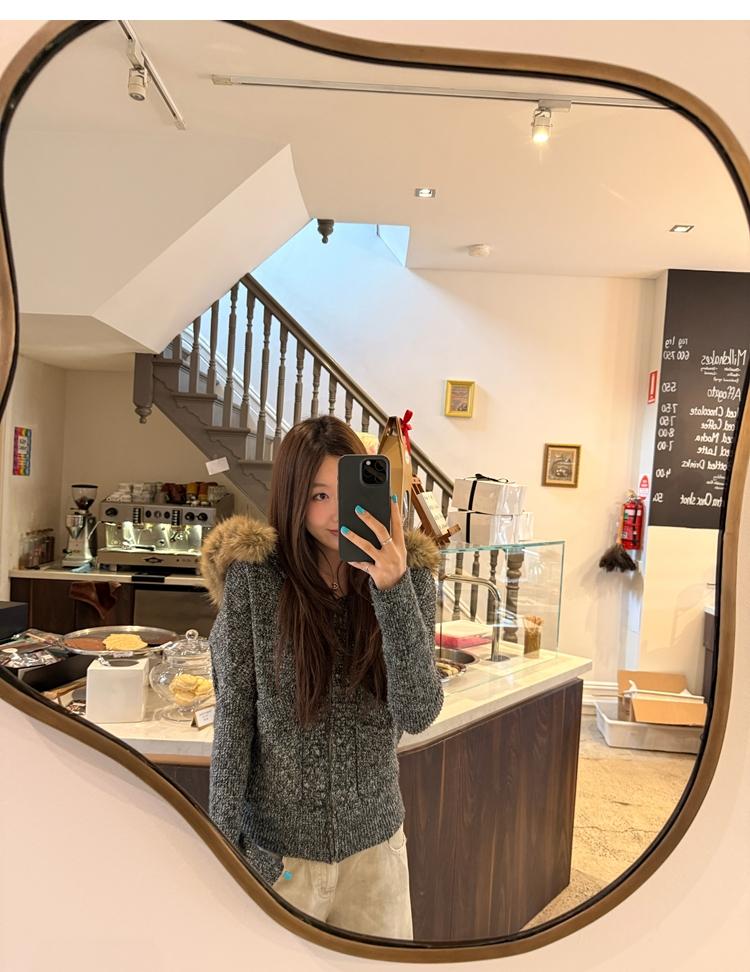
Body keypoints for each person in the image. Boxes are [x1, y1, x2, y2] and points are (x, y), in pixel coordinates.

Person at [202, 415, 443, 940]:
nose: (336, 513)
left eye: (345, 492)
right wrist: (224, 849)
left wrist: (392, 589)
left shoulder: (411, 581)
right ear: (292, 498)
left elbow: (418, 712)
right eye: (318, 496)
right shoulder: (255, 582)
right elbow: (234, 719)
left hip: (375, 853)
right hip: (279, 858)